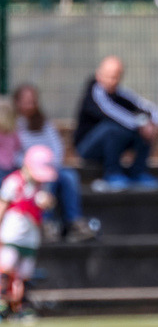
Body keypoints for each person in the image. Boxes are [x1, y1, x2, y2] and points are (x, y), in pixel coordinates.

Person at [12, 84, 97, 242]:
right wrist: (33, 167)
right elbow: (13, 153)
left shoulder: (44, 123)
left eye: (32, 101)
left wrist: (50, 165)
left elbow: (57, 146)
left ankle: (74, 222)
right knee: (45, 182)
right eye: (26, 101)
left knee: (69, 176)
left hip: (51, 167)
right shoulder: (13, 125)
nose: (30, 105)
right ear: (17, 102)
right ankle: (46, 223)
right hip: (28, 171)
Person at [72, 56, 158, 192]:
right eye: (108, 76)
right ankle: (112, 173)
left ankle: (138, 173)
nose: (112, 81)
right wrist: (142, 123)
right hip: (87, 148)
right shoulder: (94, 94)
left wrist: (152, 123)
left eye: (116, 77)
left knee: (144, 130)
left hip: (113, 146)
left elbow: (151, 109)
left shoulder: (121, 93)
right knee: (112, 128)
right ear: (99, 75)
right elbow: (112, 113)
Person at [0, 144, 58, 321]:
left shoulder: (41, 188)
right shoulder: (14, 182)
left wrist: (47, 202)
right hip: (12, 234)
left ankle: (18, 306)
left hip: (30, 237)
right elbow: (2, 205)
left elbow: (47, 203)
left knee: (23, 273)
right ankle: (2, 303)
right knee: (6, 267)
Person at [0, 105, 20, 181]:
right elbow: (18, 145)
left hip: (6, 166)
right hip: (11, 165)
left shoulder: (13, 133)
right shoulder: (14, 133)